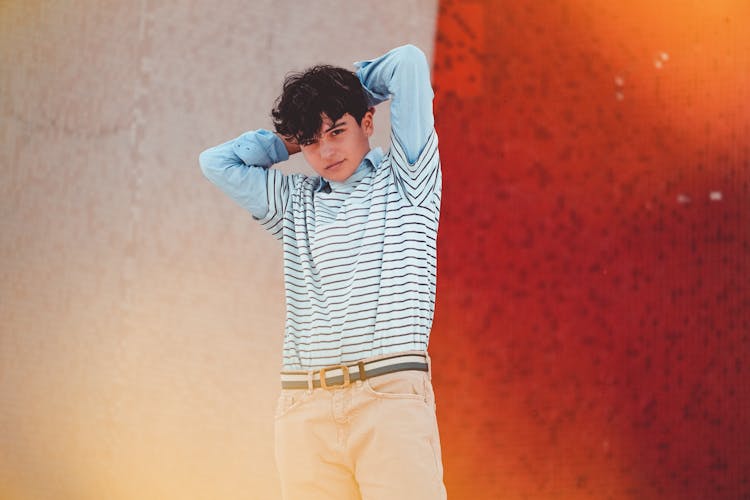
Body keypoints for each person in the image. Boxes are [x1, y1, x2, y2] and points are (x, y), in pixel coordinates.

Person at [199, 44, 446, 500]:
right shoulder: (296, 202)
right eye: (311, 142)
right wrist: (292, 136)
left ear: (367, 122)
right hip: (305, 407)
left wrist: (347, 92)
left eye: (337, 130)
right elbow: (216, 163)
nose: (326, 151)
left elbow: (409, 62)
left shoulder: (409, 178)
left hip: (388, 396)